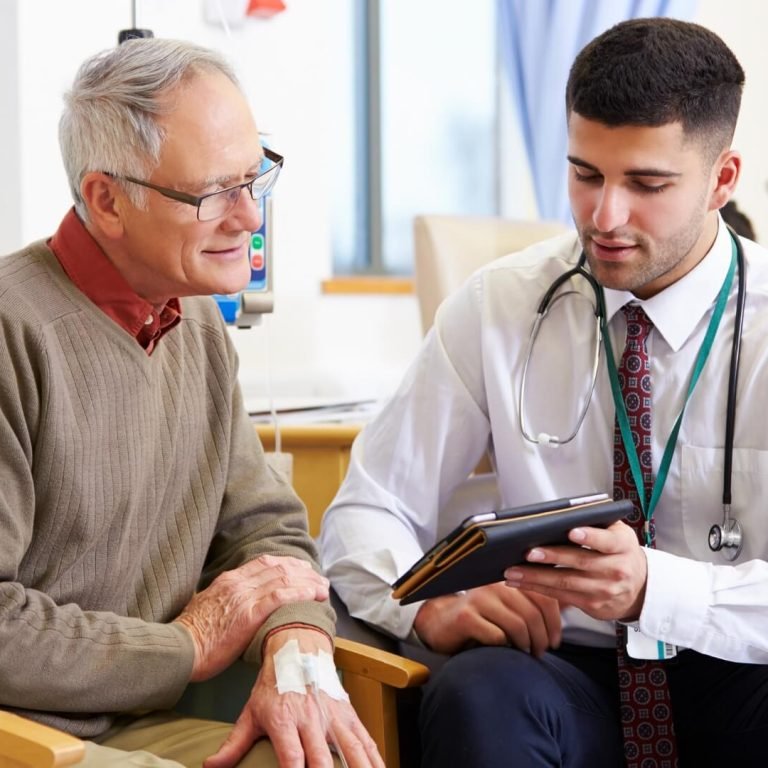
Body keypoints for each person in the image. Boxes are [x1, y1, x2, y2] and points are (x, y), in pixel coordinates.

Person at [320, 17, 768, 768]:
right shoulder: (499, 306)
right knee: (476, 692)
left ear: (723, 180)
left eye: (647, 184)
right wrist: (430, 607)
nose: (604, 217)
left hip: (739, 667)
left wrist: (656, 587)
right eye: (585, 174)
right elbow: (368, 509)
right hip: (570, 671)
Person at [0, 38, 382, 768]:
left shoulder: (196, 318)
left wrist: (294, 642)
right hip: (29, 735)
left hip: (150, 715)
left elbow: (266, 531)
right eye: (213, 194)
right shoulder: (13, 332)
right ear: (108, 200)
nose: (249, 218)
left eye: (255, 178)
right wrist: (187, 645)